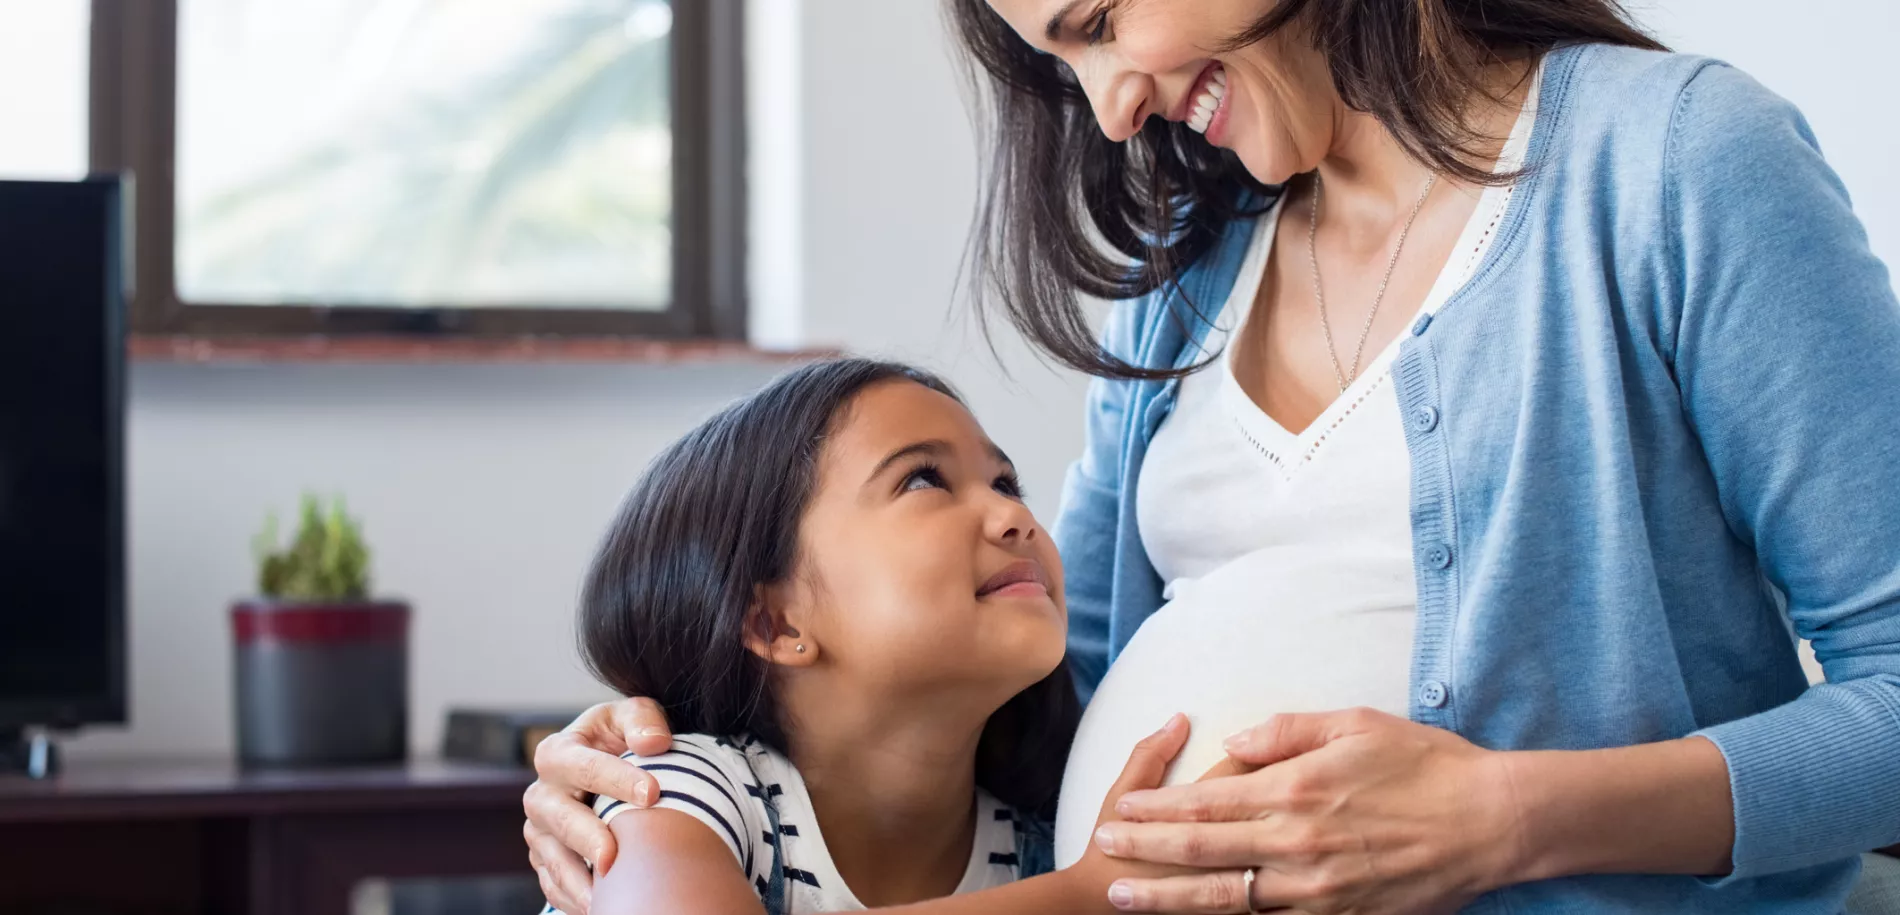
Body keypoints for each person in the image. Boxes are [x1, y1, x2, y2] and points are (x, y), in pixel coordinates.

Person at [525, 1, 1900, 912]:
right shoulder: (1186, 275)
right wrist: (681, 762)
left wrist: (1507, 815)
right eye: (1062, 63)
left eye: (1102, 21)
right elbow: (1053, 695)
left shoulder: (1673, 165)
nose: (1110, 106)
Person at [538, 358, 1216, 914]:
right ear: (775, 623)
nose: (1012, 514)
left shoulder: (1039, 842)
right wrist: (1082, 896)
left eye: (1006, 481)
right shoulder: (681, 790)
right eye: (924, 479)